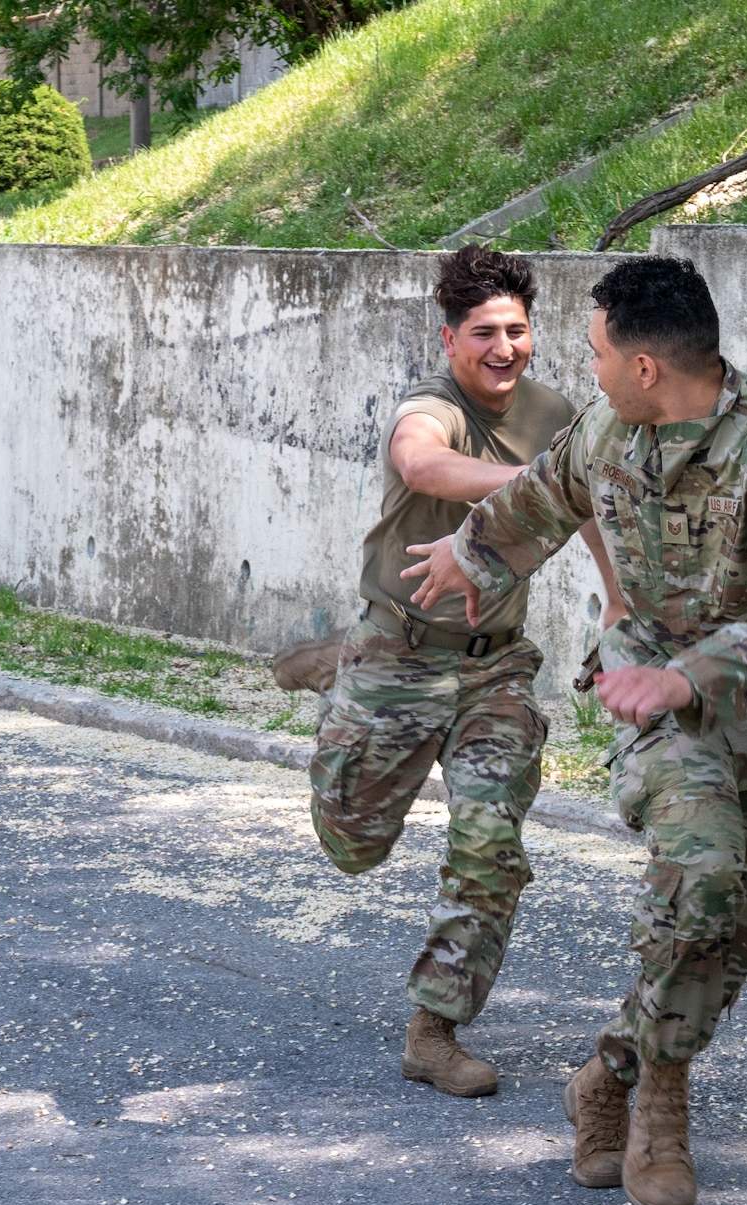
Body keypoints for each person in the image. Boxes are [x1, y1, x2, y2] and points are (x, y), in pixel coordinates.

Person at [400, 255, 747, 1205]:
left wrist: (694, 670)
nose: (588, 367)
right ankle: (662, 1102)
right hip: (654, 699)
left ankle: (607, 1074)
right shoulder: (609, 428)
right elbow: (540, 495)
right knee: (699, 880)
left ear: (648, 366)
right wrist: (467, 550)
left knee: (721, 946)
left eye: (599, 350)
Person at [275, 244, 623, 1099]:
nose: (503, 348)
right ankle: (340, 676)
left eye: (517, 330)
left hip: (494, 668)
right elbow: (423, 464)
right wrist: (537, 486)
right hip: (398, 651)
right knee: (352, 843)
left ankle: (435, 1028)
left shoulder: (558, 414)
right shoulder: (429, 407)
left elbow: (591, 515)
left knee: (491, 840)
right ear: (449, 339)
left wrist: (619, 603)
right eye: (483, 334)